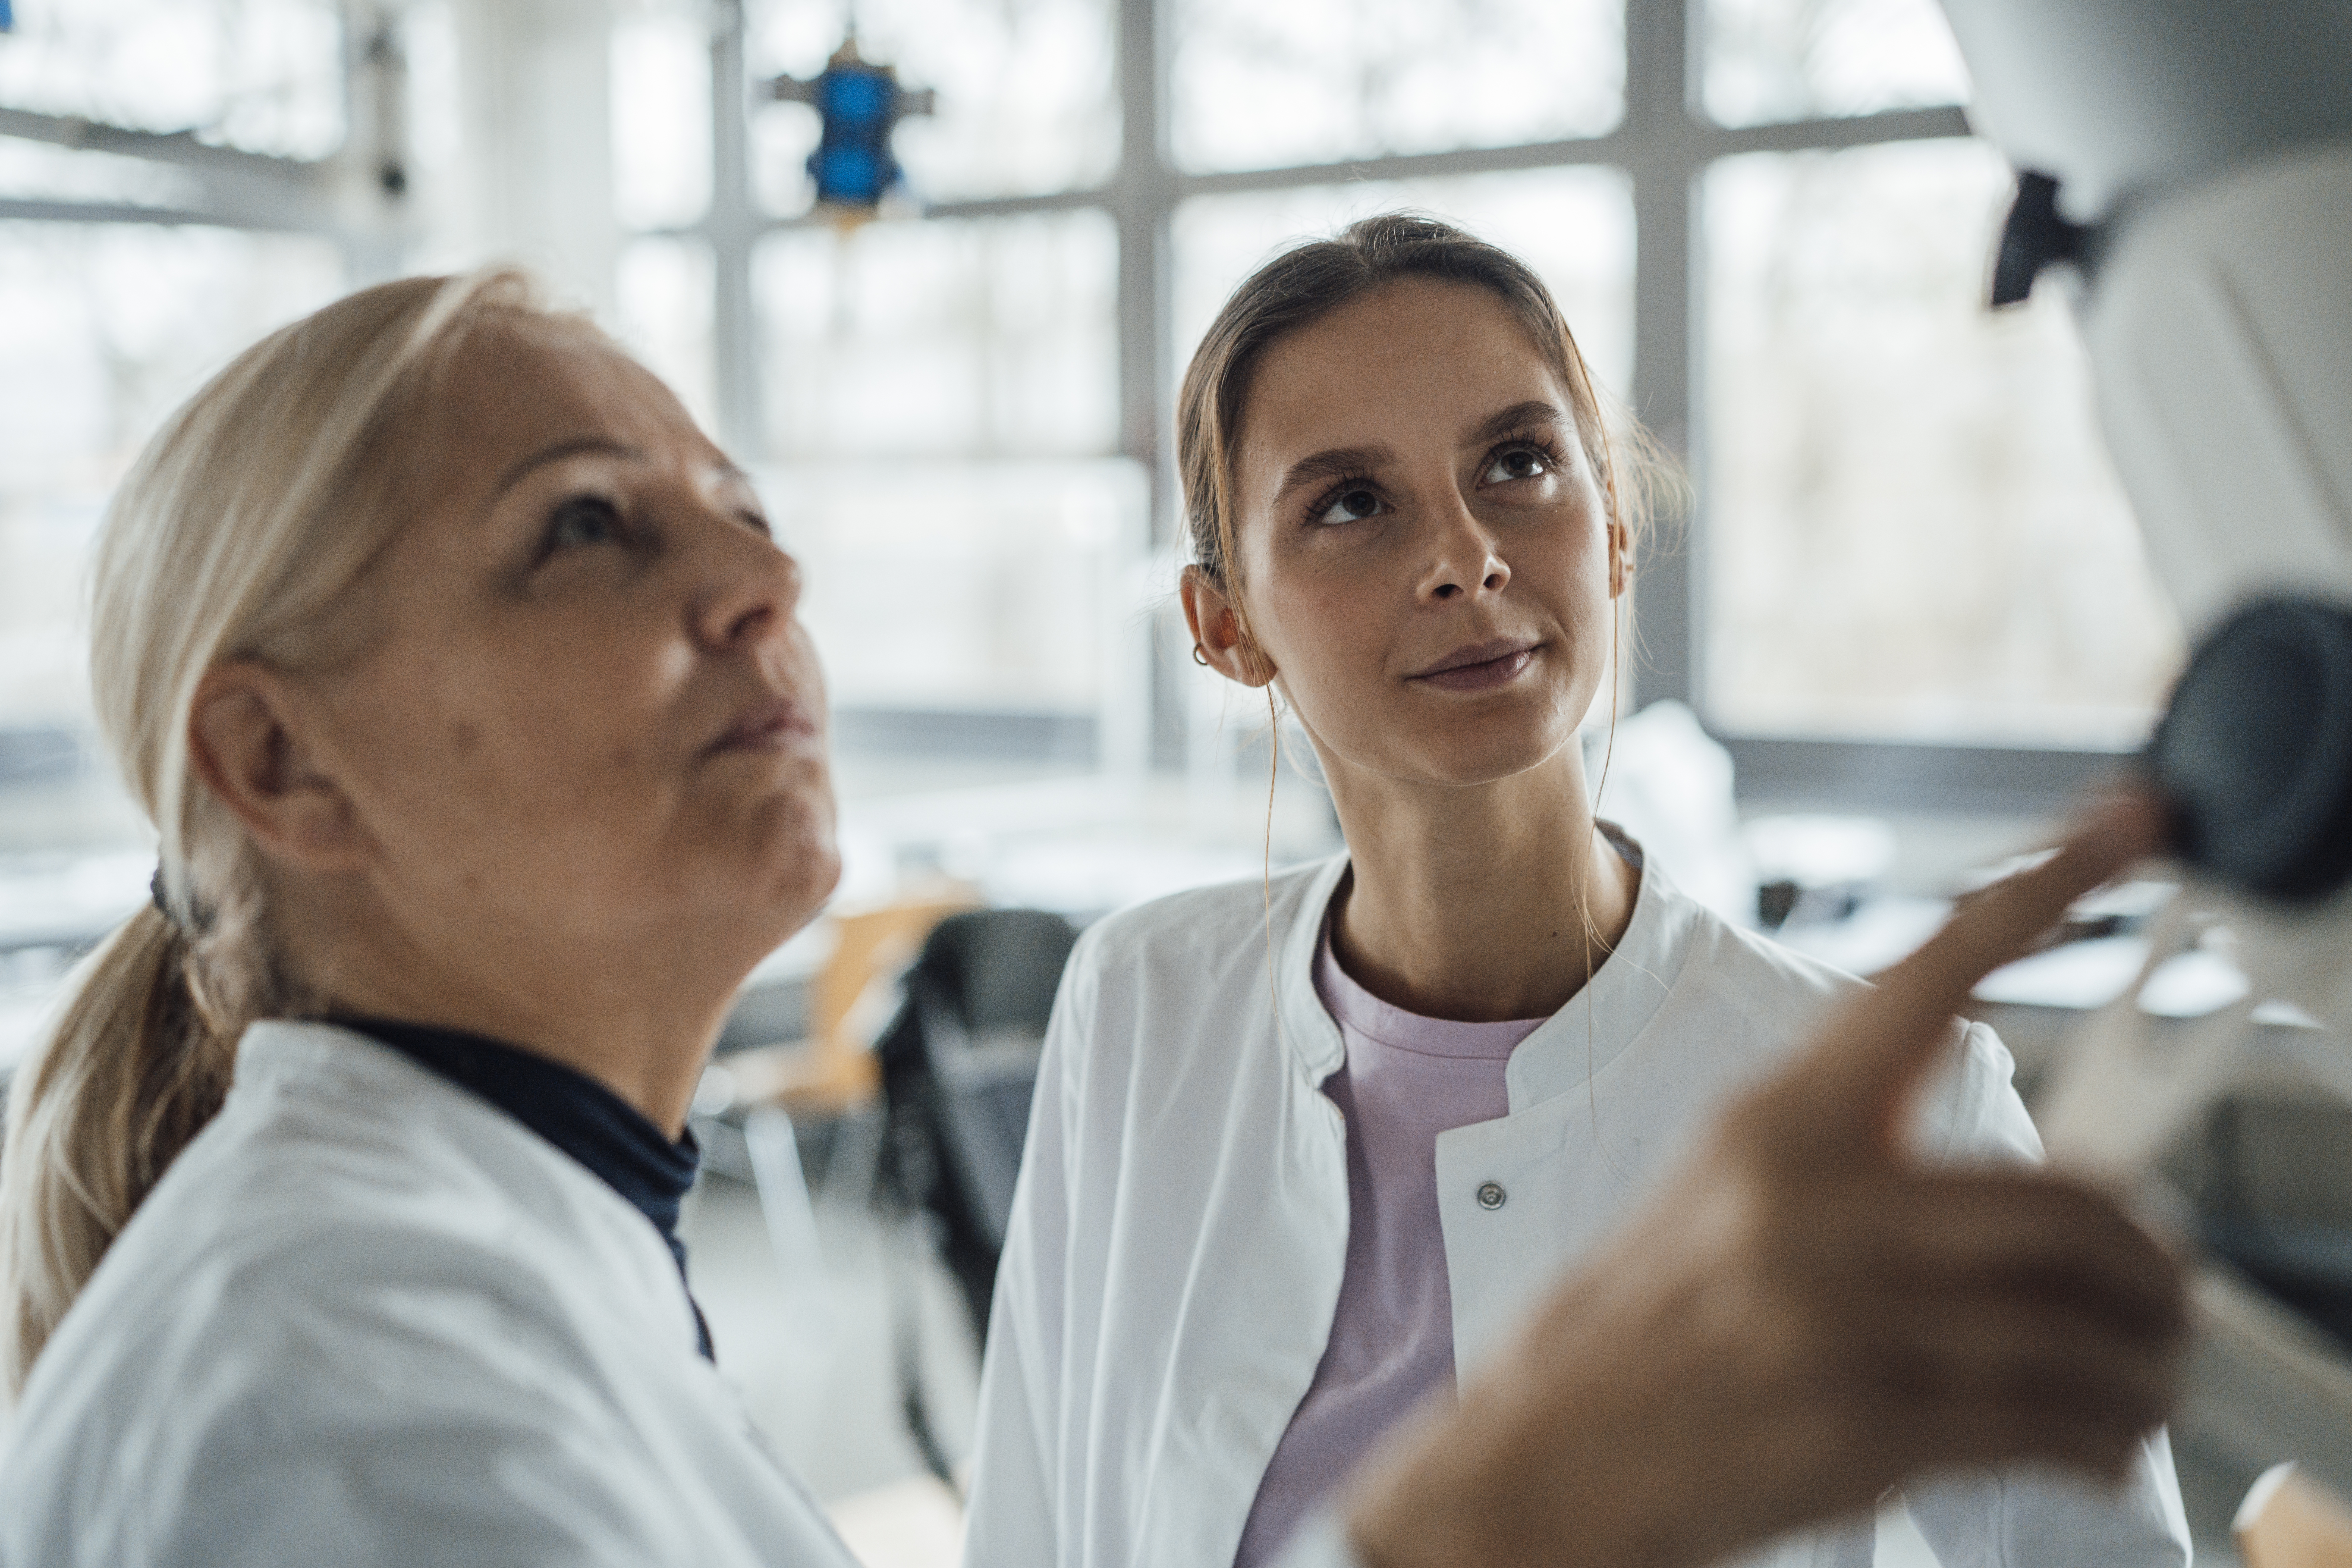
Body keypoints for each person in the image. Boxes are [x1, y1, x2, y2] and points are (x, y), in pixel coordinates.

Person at [0, 270, 2183, 1568]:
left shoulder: (517, 1258)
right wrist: (1515, 1506)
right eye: (584, 529)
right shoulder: (343, 1389)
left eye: (741, 511)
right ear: (280, 763)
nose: (765, 580)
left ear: (1619, 524)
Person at [963, 213, 2192, 1568]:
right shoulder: (1137, 1003)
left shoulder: (1901, 1106)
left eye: (1516, 463)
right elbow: (1029, 1523)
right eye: (1350, 503)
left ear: (1610, 530)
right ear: (1224, 625)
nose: (1464, 556)